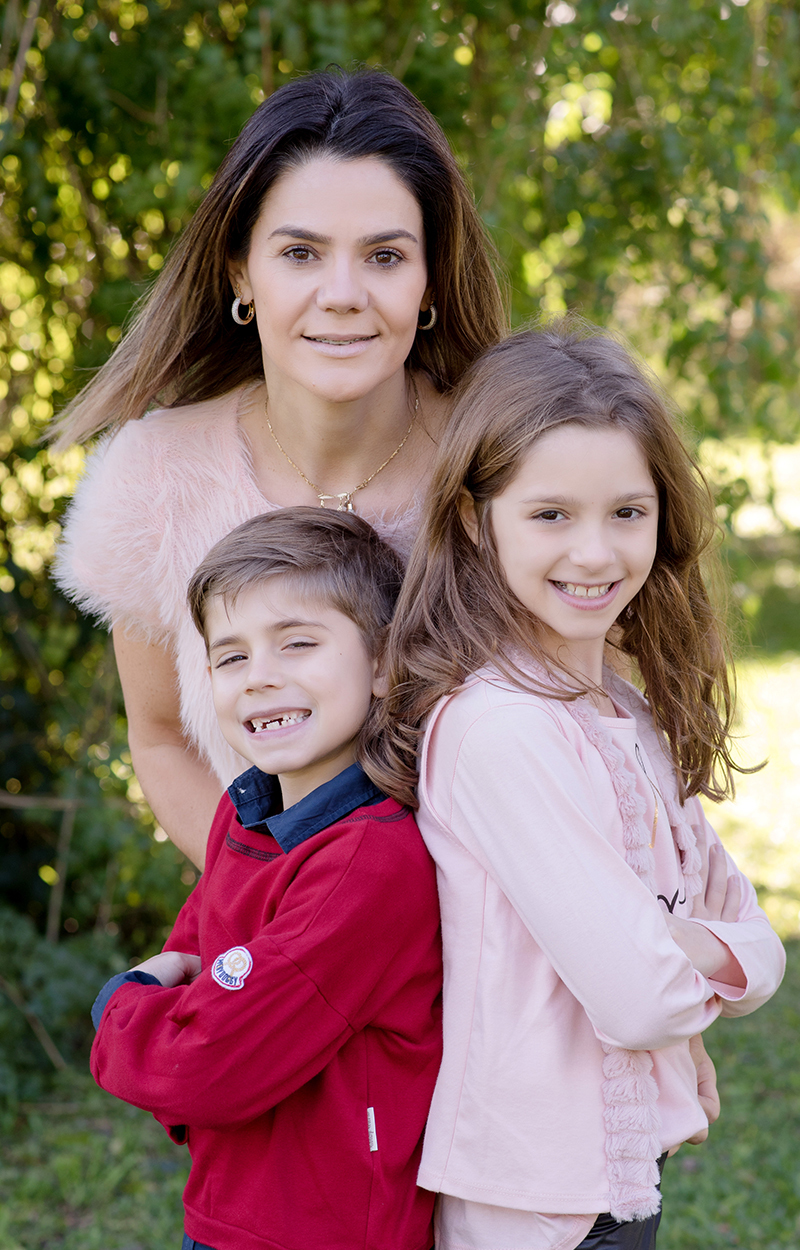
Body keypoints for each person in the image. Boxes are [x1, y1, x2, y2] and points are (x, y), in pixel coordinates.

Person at [366, 322, 786, 1250]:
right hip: (533, 1204)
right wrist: (696, 951)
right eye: (551, 515)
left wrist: (682, 943)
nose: (595, 555)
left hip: (619, 1176)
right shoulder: (498, 729)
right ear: (479, 521)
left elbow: (762, 952)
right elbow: (639, 1001)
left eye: (627, 513)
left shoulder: (626, 713)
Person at [53, 67, 507, 868]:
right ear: (240, 274)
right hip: (277, 951)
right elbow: (160, 738)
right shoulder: (156, 473)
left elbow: (592, 707)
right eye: (300, 253)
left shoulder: (503, 461)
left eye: (384, 256)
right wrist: (273, 910)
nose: (342, 294)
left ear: (430, 276)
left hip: (500, 955)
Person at [89, 507, 443, 1250]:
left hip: (323, 1231)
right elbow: (201, 1001)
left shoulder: (367, 862)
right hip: (228, 1213)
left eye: (298, 644)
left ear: (382, 665)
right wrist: (190, 1033)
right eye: (232, 657)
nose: (261, 679)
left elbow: (204, 1062)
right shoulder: (243, 818)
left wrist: (119, 1004)